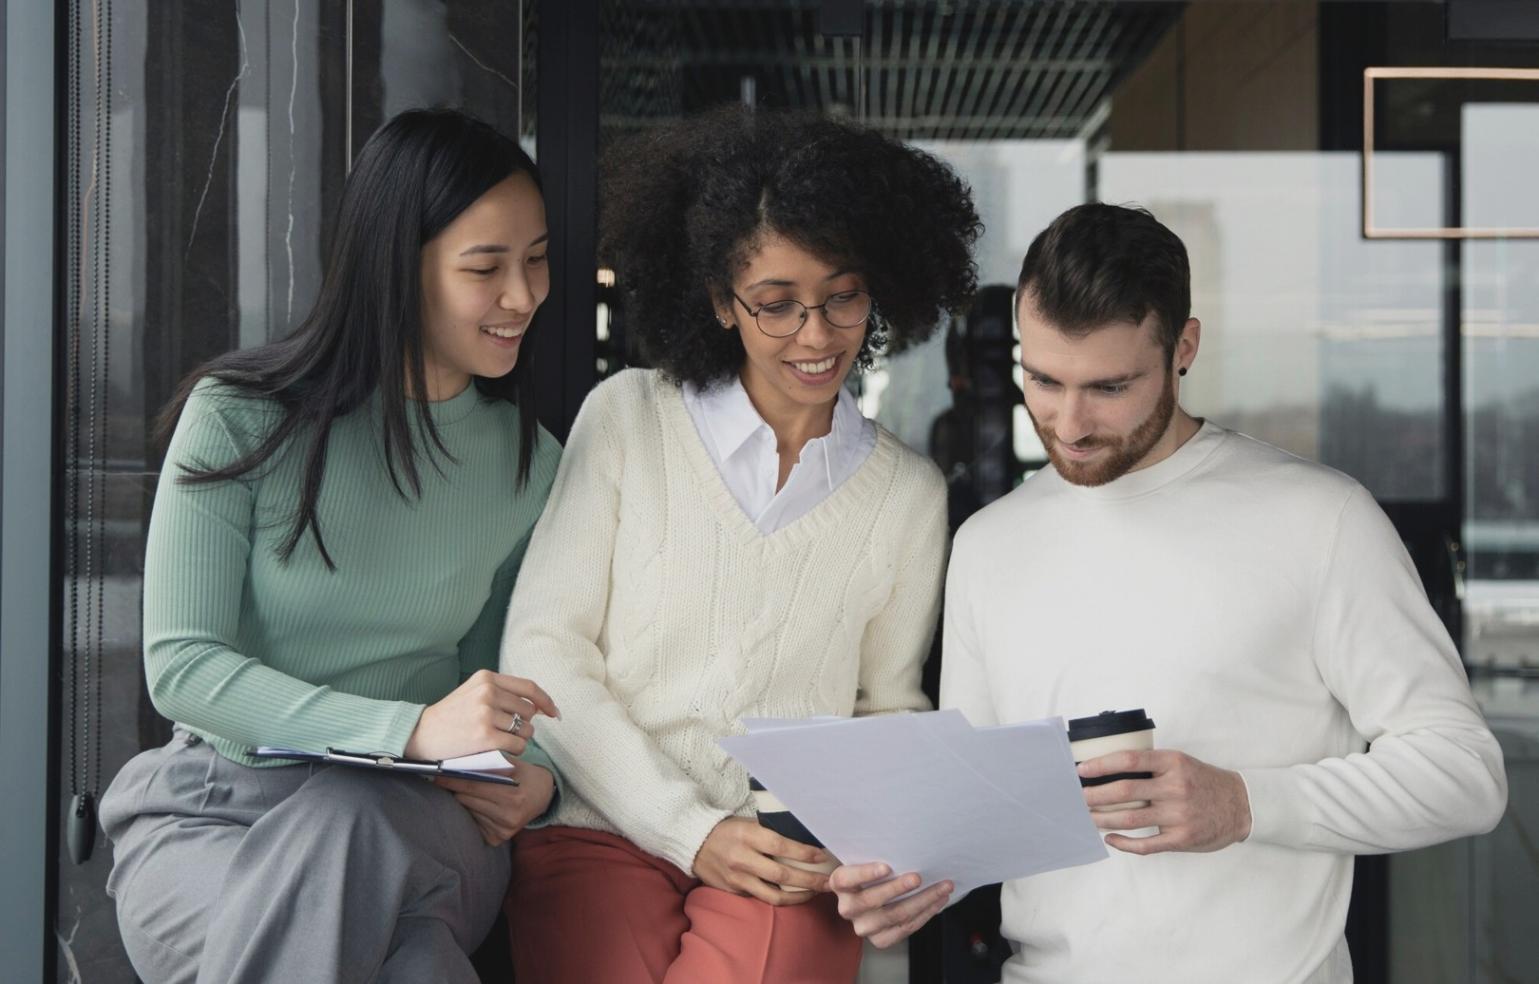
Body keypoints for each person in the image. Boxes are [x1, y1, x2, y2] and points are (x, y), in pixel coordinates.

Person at [830, 202, 1508, 982]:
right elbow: (982, 816)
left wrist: (1246, 804)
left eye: (1109, 386)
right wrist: (907, 881)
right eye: (1042, 379)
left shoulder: (1319, 520)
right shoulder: (989, 545)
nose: (1069, 422)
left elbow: (1464, 775)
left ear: (1182, 347)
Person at [496, 105, 980, 983]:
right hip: (604, 821)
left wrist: (881, 842)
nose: (816, 334)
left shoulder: (909, 496)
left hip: (788, 849)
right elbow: (545, 652)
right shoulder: (628, 419)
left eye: (842, 296)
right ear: (721, 300)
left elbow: (886, 705)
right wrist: (689, 830)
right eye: (776, 304)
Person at [100, 108, 564, 984]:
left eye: (536, 259)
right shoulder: (240, 418)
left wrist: (534, 776)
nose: (524, 295)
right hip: (212, 819)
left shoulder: (527, 466)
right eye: (485, 268)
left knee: (352, 816)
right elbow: (183, 666)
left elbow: (508, 677)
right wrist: (409, 729)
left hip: (421, 825)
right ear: (400, 267)